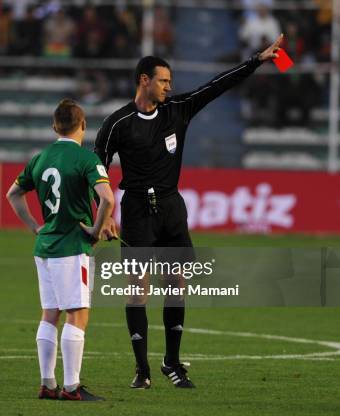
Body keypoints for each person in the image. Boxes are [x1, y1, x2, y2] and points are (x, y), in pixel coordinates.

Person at [94, 35, 284, 389]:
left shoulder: (177, 109)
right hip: (136, 209)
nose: (169, 86)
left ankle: (172, 361)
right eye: (163, 80)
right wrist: (103, 215)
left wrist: (256, 61)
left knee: (177, 285)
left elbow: (216, 86)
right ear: (144, 80)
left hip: (170, 207)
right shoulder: (117, 124)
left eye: (170, 81)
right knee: (137, 289)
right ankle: (142, 369)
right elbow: (97, 167)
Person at [6, 99, 116, 401]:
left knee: (49, 314)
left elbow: (13, 193)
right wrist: (96, 230)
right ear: (83, 125)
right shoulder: (87, 158)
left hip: (44, 246)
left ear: (55, 126)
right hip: (71, 247)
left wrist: (33, 225)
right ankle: (71, 387)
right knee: (77, 315)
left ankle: (47, 383)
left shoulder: (40, 159)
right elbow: (107, 198)